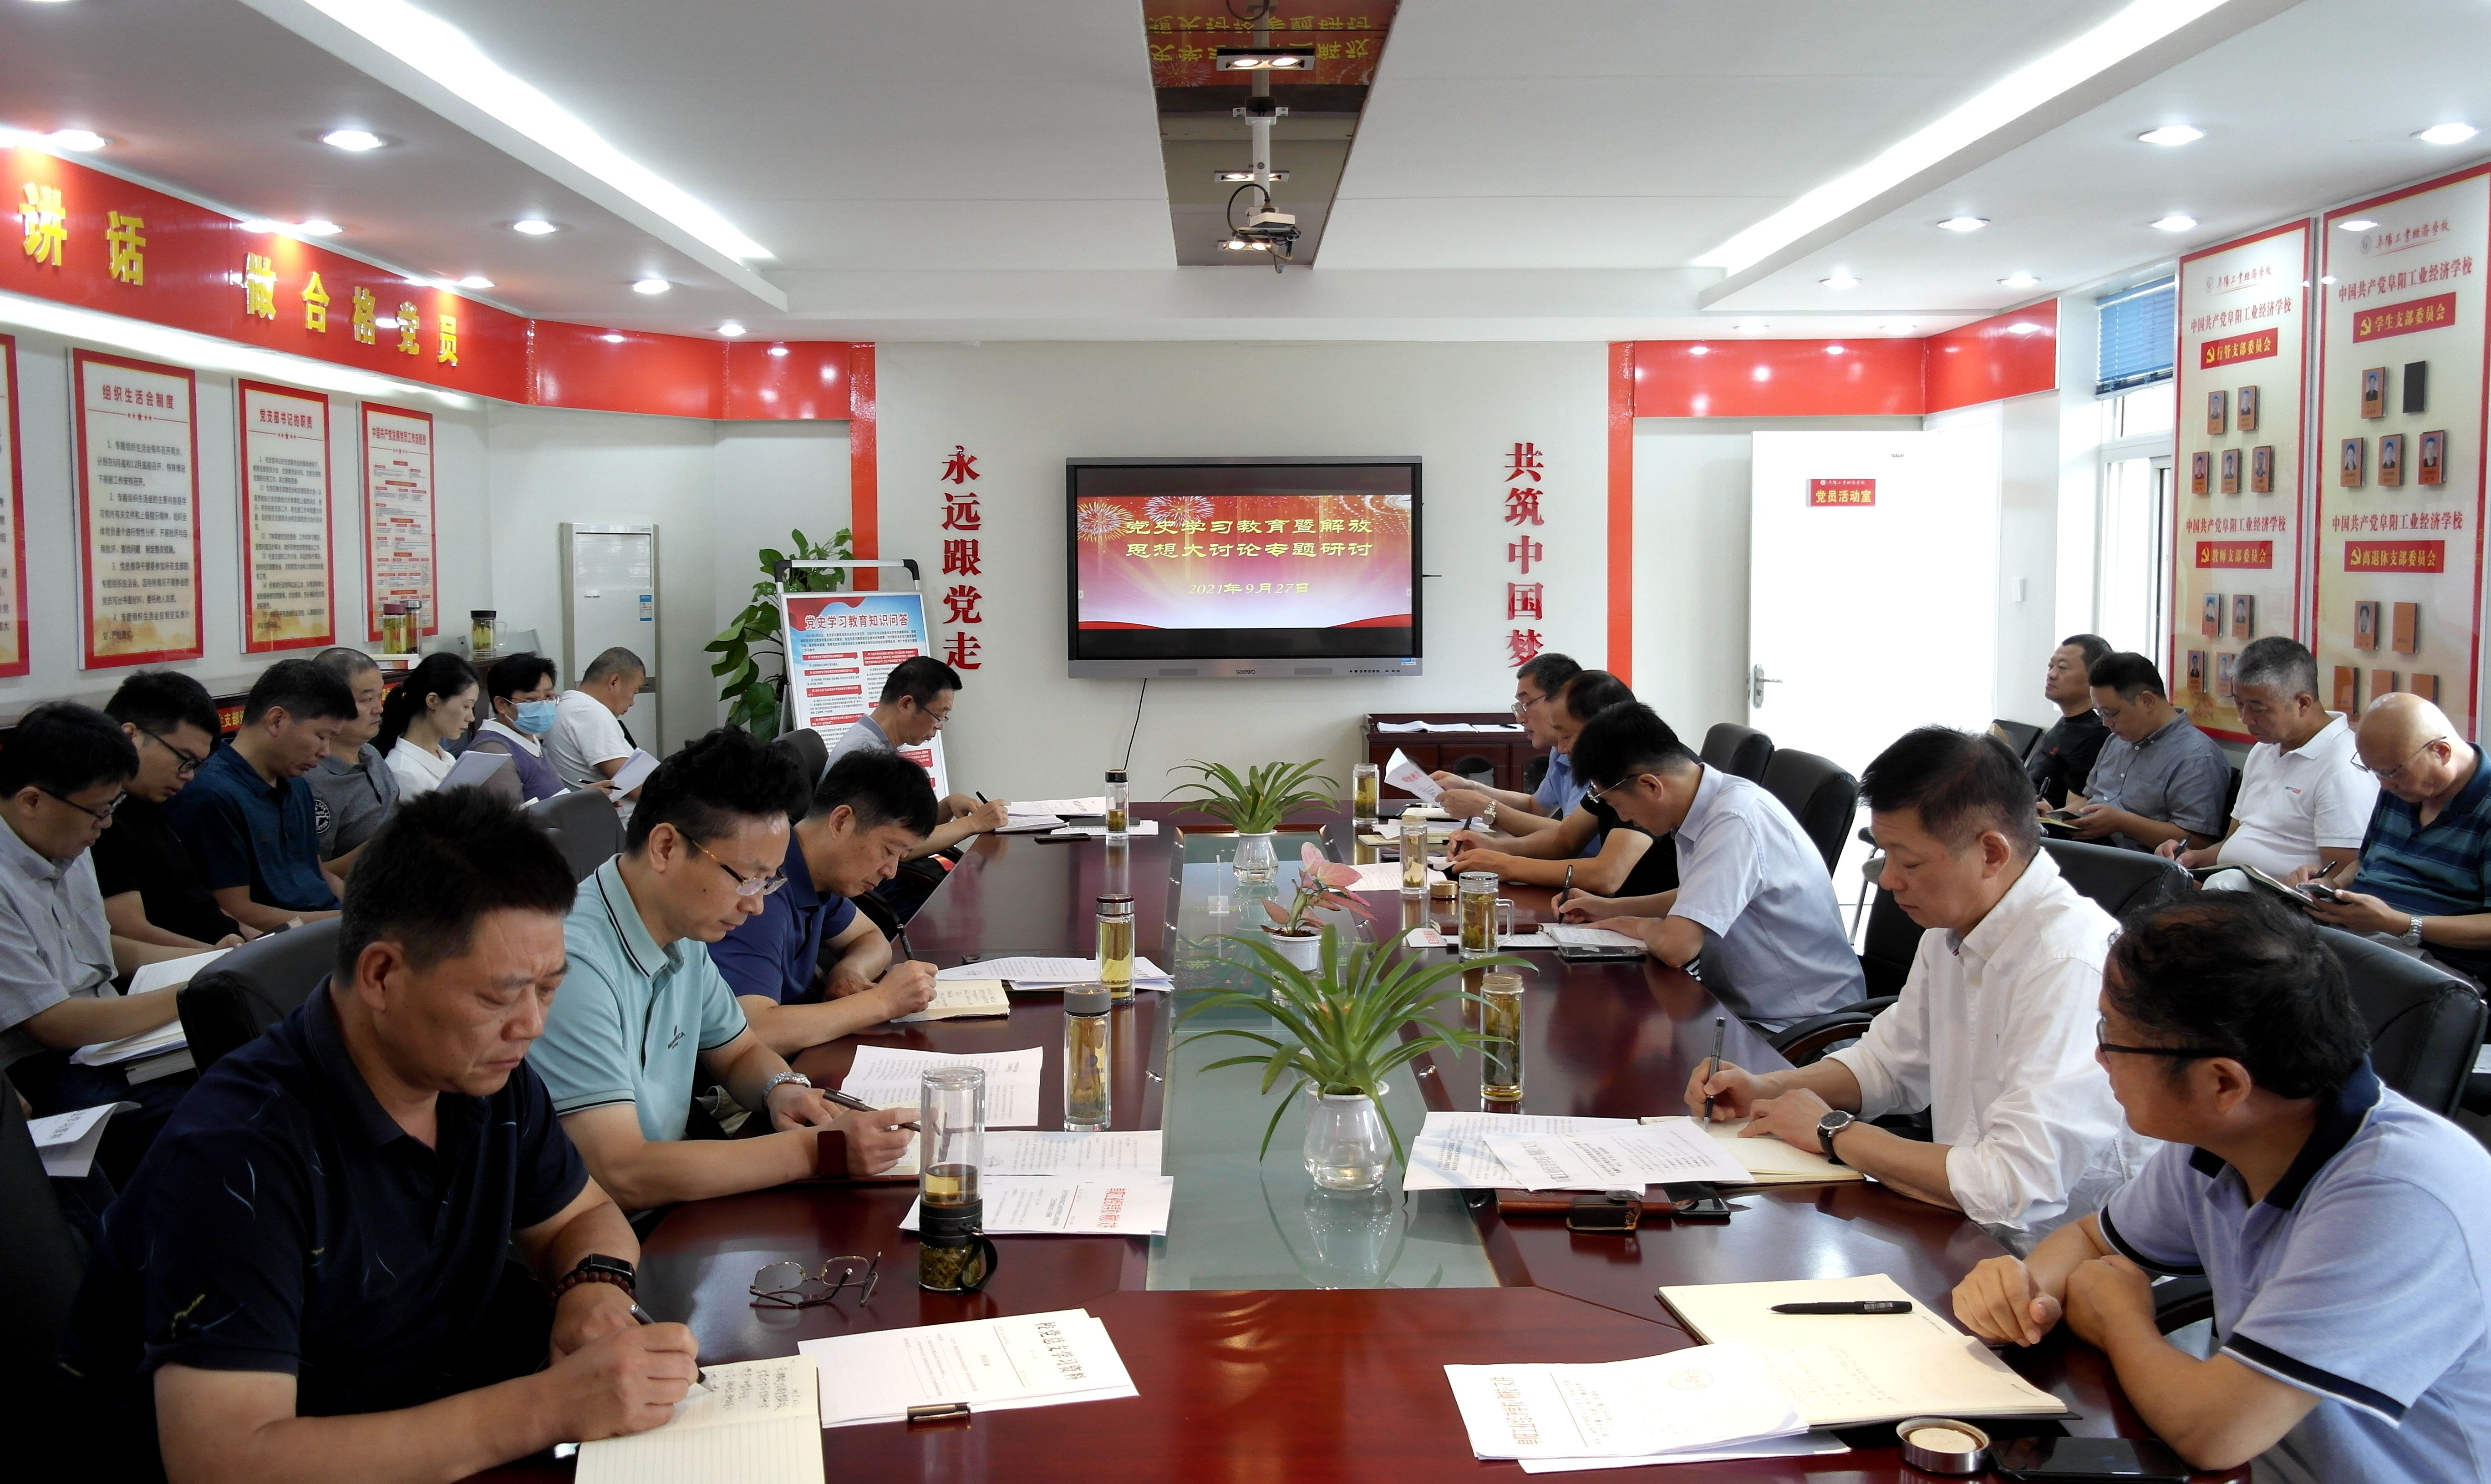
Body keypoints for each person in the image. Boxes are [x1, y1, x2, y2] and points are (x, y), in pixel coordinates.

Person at [58, 789, 701, 1484]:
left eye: (548, 988)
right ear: (382, 974)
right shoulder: (234, 1152)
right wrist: (549, 1408)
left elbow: (580, 1215)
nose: (531, 1025)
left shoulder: (486, 1074)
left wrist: (593, 1290)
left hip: (438, 1417)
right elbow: (226, 1460)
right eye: (498, 995)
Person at [1952, 893, 2491, 1481]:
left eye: (2114, 1037)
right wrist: (2024, 1292)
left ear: (2224, 1083)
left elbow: (2215, 1433)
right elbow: (2091, 1241)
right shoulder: (2231, 1135)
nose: (2099, 1056)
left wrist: (2120, 1318)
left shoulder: (2399, 1197)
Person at [1689, 728, 2148, 1252]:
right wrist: (1764, 1088)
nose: (1887, 880)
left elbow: (2012, 1185)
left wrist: (1832, 1131)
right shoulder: (1953, 927)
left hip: (2058, 1261)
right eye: (1884, 854)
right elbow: (1889, 1065)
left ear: (1991, 853)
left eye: (1908, 862)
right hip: (1959, 1224)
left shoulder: (2068, 965)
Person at [529, 727, 915, 1210]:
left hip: (672, 1194)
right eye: (747, 879)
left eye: (769, 882)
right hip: (607, 1225)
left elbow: (739, 1052)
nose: (757, 905)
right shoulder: (572, 965)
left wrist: (784, 1090)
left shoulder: (683, 928)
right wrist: (817, 1150)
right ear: (666, 847)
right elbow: (621, 1172)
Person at [1555, 703, 1862, 1026]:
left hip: (1797, 1025)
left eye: (1616, 804)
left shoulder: (1734, 821)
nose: (1623, 817)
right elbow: (1695, 898)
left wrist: (1630, 924)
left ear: (1651, 785)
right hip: (1743, 1007)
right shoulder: (1702, 806)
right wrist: (1606, 908)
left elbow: (1676, 947)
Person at [0, 703, 202, 1183]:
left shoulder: (64, 838)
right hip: (42, 1064)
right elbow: (54, 1024)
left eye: (113, 806)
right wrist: (196, 988)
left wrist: (211, 958)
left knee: (250, 1074)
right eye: (99, 810)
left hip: (108, 1039)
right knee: (195, 1122)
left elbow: (101, 948)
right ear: (32, 801)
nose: (107, 823)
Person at [710, 749, 942, 1053]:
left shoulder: (817, 874)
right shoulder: (762, 889)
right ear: (841, 821)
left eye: (900, 857)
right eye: (888, 851)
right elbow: (750, 1032)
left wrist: (849, 970)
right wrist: (882, 1002)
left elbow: (870, 938)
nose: (891, 871)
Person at [2296, 692, 2491, 980]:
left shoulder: (2484, 806)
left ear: (2441, 752)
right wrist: (2333, 886)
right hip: (2361, 937)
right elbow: (2365, 861)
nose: (2384, 786)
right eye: (2375, 772)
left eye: (2390, 773)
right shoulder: (2403, 787)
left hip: (2435, 963)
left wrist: (2402, 924)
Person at [1442, 671, 1675, 897]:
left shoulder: (1644, 768)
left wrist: (1507, 865)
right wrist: (1493, 848)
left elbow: (1607, 876)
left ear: (1602, 726)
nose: (1562, 749)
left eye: (1567, 736)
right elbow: (1565, 839)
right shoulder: (1611, 767)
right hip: (1617, 906)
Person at [2159, 638, 2374, 881]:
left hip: (2278, 900)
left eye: (2258, 709)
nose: (2245, 719)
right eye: (2239, 704)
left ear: (2302, 703)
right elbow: (2236, 840)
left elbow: (2339, 879)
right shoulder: (2264, 748)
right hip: (2229, 884)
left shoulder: (2343, 767)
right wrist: (2194, 858)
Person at [165, 659, 356, 932]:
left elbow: (318, 874)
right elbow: (235, 911)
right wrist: (348, 922)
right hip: (284, 939)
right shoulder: (211, 795)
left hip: (327, 925)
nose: (326, 752)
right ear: (277, 720)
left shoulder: (296, 784)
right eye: (321, 736)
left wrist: (363, 911)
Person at [95, 670, 244, 951]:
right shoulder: (101, 821)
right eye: (184, 760)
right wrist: (214, 956)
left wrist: (263, 942)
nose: (189, 776)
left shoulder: (152, 802)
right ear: (130, 736)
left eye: (196, 765)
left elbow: (203, 908)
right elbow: (129, 930)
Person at [823, 656, 1009, 856]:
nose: (940, 726)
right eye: (938, 715)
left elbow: (906, 828)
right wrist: (974, 823)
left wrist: (948, 805)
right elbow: (899, 849)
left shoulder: (876, 743)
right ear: (906, 704)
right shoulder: (865, 757)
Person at [2063, 652, 2228, 852]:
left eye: (2110, 714)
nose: (2106, 724)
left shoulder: (2197, 757)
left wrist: (2122, 823)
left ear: (2147, 701)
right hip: (2087, 847)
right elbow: (2089, 800)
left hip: (2135, 859)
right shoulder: (2116, 740)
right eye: (2100, 713)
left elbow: (2198, 842)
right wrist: (2056, 817)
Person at [1432, 651, 1588, 834]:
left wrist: (1485, 807)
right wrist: (1470, 787)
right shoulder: (1558, 751)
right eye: (1518, 707)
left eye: (1527, 704)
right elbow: (1534, 807)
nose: (1520, 718)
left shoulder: (1593, 753)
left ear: (1563, 699)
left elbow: (1570, 835)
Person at [306, 647, 400, 876]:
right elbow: (312, 875)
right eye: (367, 699)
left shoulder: (371, 755)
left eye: (379, 696)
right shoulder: (312, 777)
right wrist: (381, 848)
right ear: (329, 704)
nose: (378, 708)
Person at [546, 647, 647, 819]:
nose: (632, 703)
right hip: (622, 825)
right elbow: (634, 787)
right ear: (614, 682)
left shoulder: (572, 706)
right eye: (634, 692)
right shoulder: (588, 712)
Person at [462, 652, 569, 804]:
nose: (544, 705)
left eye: (549, 697)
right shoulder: (494, 751)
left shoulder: (526, 736)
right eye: (532, 700)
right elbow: (511, 816)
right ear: (502, 704)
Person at [376, 653, 483, 800]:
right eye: (466, 706)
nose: (471, 718)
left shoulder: (447, 758)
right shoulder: (403, 773)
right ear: (433, 701)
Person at [2027, 634, 2112, 809]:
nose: (2051, 674)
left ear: (2094, 676)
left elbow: (2074, 814)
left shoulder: (2095, 734)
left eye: (2063, 668)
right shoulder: (2067, 721)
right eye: (2051, 667)